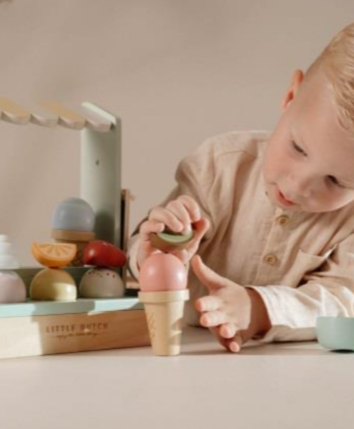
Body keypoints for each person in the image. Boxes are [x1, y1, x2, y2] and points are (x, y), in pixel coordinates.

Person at [128, 23, 354, 353]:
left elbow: (343, 299)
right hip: (178, 348)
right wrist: (154, 252)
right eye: (298, 148)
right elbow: (138, 258)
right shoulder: (220, 165)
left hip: (284, 370)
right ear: (291, 97)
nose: (299, 184)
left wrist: (260, 308)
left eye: (336, 181)